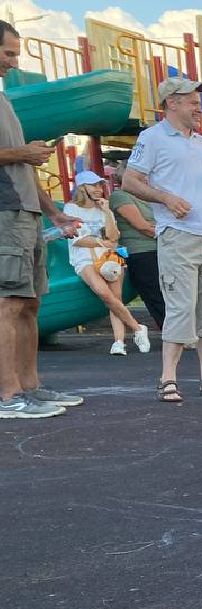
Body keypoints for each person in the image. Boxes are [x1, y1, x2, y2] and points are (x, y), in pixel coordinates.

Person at [123, 75, 202, 404]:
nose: (197, 106)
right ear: (171, 103)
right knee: (180, 307)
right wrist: (165, 198)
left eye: (197, 100)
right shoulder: (152, 137)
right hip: (180, 234)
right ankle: (167, 379)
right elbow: (129, 180)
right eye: (191, 100)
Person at [0, 19, 85, 420]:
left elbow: (24, 164)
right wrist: (22, 154)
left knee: (30, 302)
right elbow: (18, 158)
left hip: (26, 213)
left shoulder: (5, 102)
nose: (12, 62)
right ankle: (8, 395)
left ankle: (30, 386)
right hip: (4, 213)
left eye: (15, 53)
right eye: (7, 53)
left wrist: (54, 211)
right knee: (8, 303)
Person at [62, 170, 149, 356]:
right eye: (93, 185)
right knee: (104, 293)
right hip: (84, 258)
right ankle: (137, 327)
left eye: (100, 185)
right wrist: (103, 242)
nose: (98, 189)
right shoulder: (71, 209)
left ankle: (119, 342)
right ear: (82, 187)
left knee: (115, 299)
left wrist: (108, 212)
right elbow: (77, 240)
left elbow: (114, 236)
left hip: (109, 257)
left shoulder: (102, 208)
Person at [108, 163, 165, 332]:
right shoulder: (120, 196)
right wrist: (170, 233)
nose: (146, 178)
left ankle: (179, 331)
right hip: (141, 250)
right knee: (155, 292)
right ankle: (173, 333)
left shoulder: (149, 197)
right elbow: (141, 226)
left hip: (160, 247)